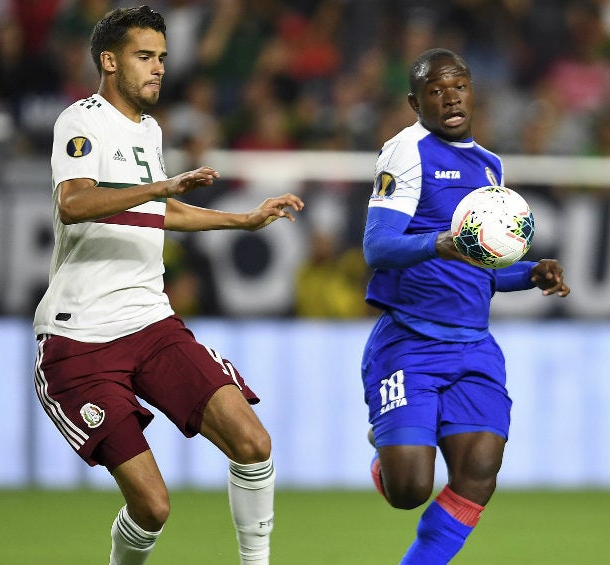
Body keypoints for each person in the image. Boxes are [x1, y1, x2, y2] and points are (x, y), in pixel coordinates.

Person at [31, 6, 304, 565]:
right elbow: (75, 201)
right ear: (109, 61)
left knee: (253, 443)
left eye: (161, 58)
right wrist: (160, 185)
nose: (157, 69)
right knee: (153, 507)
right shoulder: (80, 121)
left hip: (151, 323)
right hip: (79, 338)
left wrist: (241, 219)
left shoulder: (150, 130)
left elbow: (162, 209)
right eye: (143, 57)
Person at [360, 48, 570, 565]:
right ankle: (387, 458)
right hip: (410, 342)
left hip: (474, 346)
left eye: (459, 86)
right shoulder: (405, 152)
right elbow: (377, 246)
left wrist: (529, 273)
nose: (450, 97)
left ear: (473, 92)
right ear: (415, 102)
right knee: (409, 489)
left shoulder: (489, 164)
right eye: (435, 90)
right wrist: (441, 243)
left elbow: (482, 267)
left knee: (479, 471)